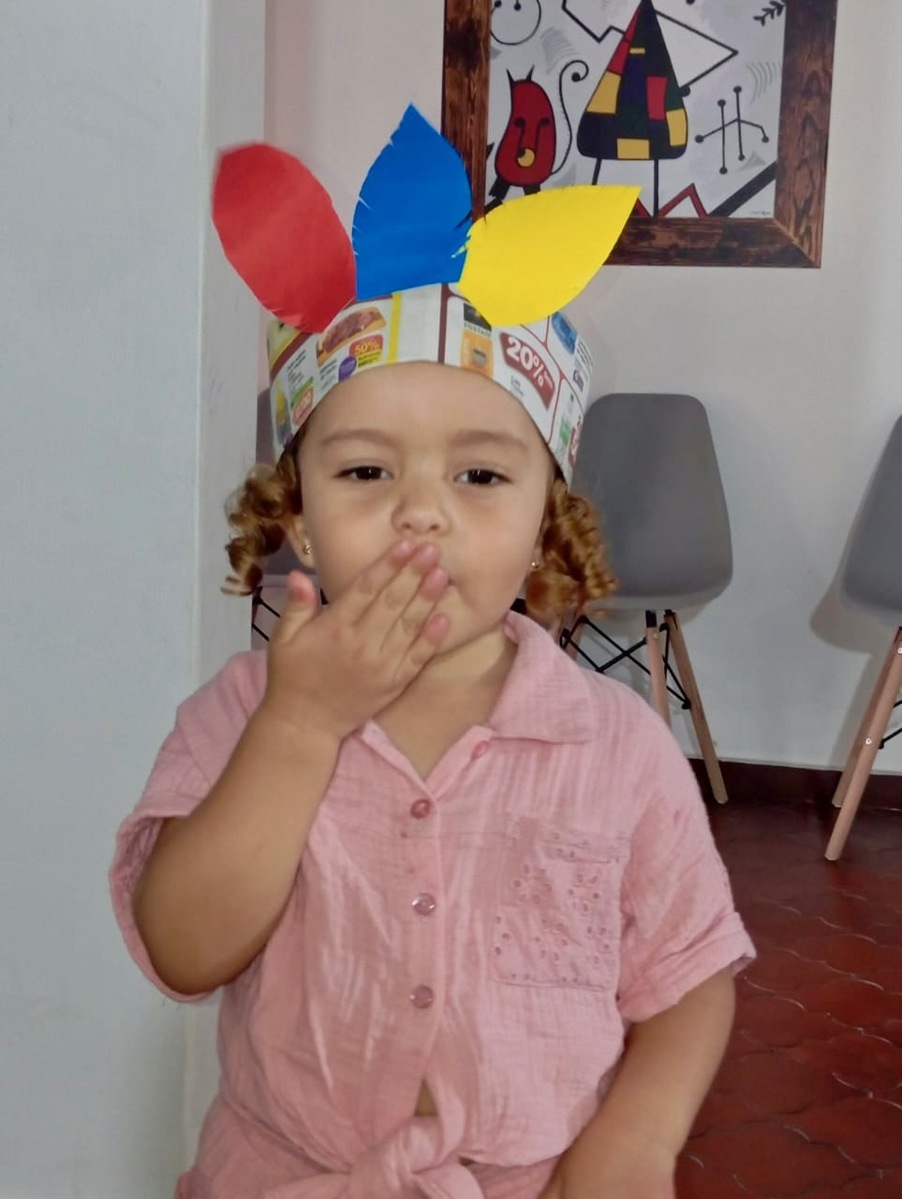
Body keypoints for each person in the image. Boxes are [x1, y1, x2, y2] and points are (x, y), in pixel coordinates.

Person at [110, 111, 754, 1199]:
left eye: (479, 476)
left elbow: (688, 973)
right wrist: (300, 726)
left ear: (545, 522)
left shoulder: (617, 748)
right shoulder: (240, 712)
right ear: (299, 518)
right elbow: (182, 947)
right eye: (366, 472)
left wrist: (639, 1136)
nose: (421, 513)